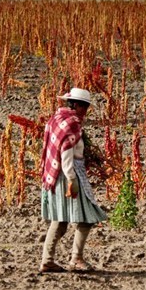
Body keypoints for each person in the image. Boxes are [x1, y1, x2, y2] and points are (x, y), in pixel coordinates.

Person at [39, 88, 107, 273]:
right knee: (86, 219)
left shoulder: (56, 119)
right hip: (68, 175)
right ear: (76, 105)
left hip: (53, 175)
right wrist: (72, 179)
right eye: (84, 108)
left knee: (59, 220)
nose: (85, 112)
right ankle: (76, 259)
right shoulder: (72, 123)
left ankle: (47, 260)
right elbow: (66, 154)